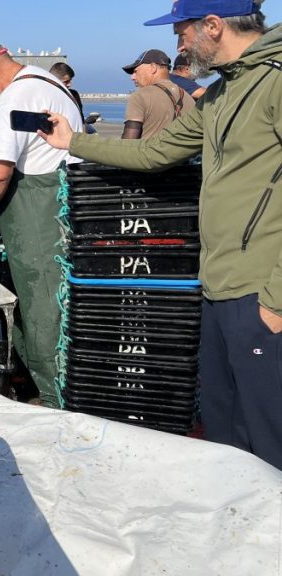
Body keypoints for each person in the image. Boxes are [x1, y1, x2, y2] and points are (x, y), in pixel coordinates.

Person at [40, 0, 282, 469]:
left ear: (213, 26)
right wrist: (74, 141)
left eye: (183, 32)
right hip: (218, 287)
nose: (179, 45)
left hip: (262, 293)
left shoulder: (275, 79)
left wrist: (277, 295)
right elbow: (155, 152)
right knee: (226, 434)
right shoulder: (219, 94)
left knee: (270, 437)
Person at [0, 42, 84, 408]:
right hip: (56, 210)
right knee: (49, 306)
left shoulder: (16, 94)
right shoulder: (45, 81)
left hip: (43, 222)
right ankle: (52, 390)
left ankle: (57, 402)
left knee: (44, 310)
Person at [121, 48, 195, 139]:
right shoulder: (188, 98)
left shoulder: (140, 96)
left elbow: (128, 143)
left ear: (153, 68)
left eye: (136, 71)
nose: (132, 77)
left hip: (148, 152)